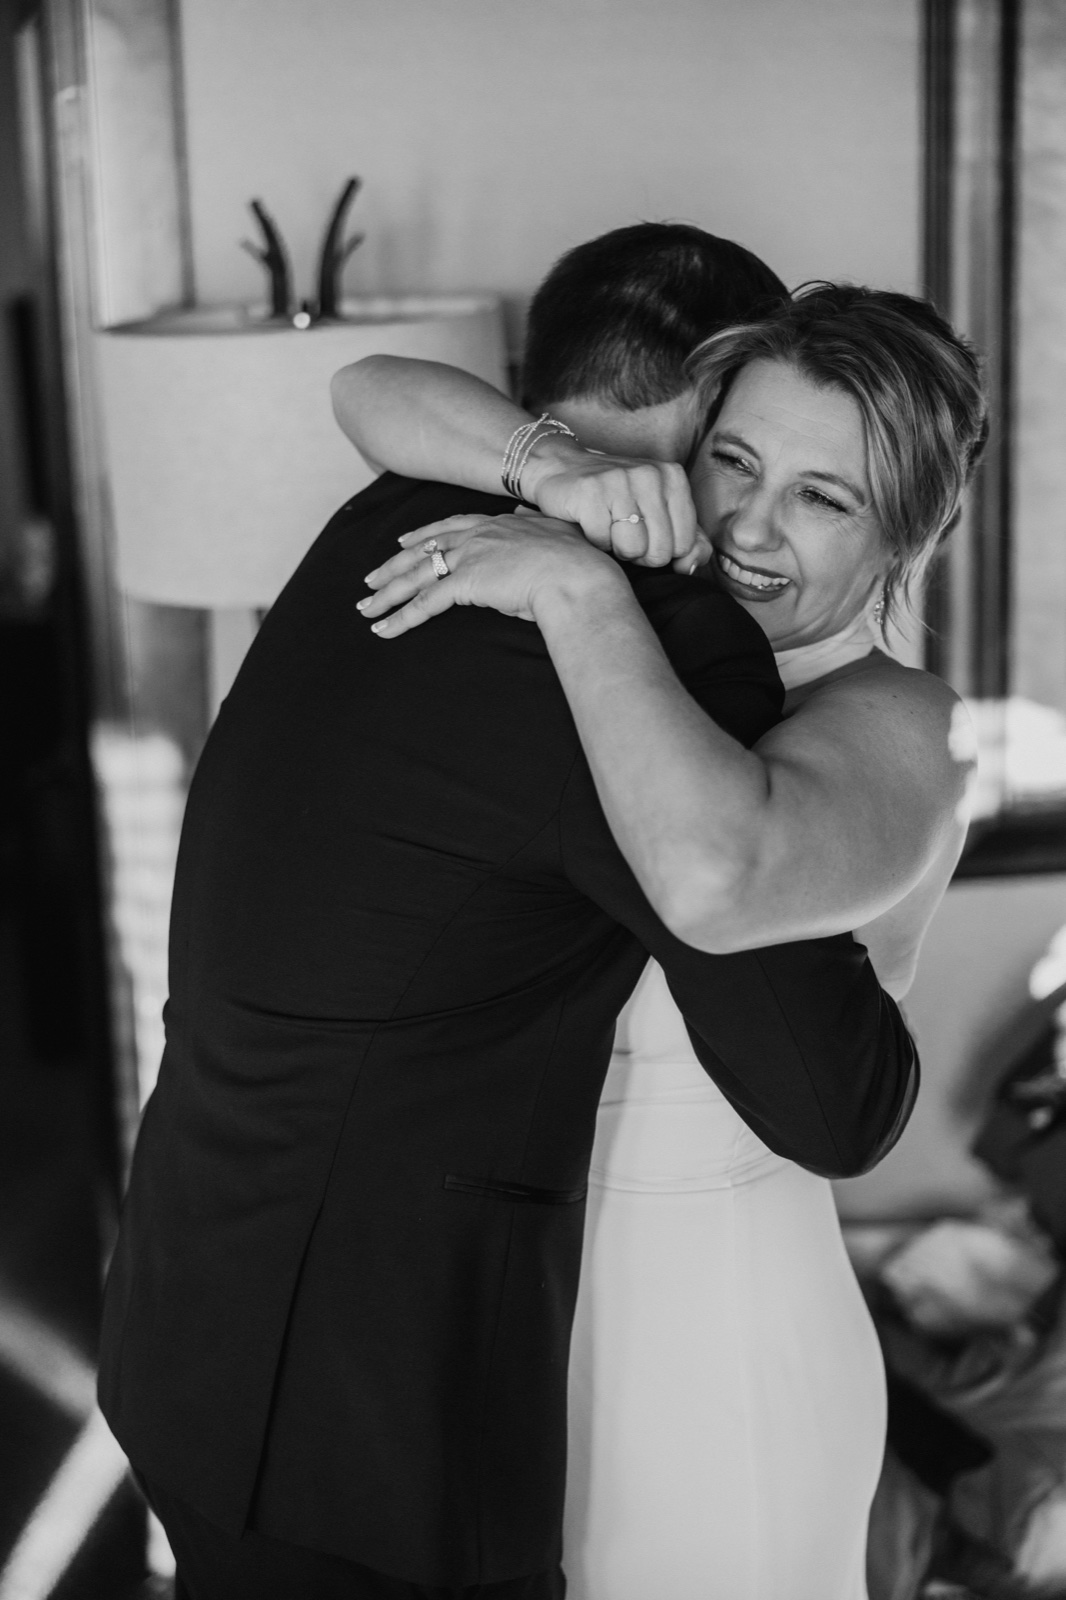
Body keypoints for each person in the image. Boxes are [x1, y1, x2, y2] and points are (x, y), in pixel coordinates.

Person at [96, 227, 917, 1600]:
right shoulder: (652, 639)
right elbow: (832, 1106)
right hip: (362, 1422)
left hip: (192, 1305)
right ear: (719, 413)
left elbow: (372, 391)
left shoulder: (388, 519)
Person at [333, 277, 986, 1599]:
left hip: (720, 1327)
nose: (749, 524)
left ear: (911, 533)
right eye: (732, 461)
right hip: (526, 1300)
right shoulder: (678, 636)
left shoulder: (905, 724)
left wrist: (577, 594)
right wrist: (554, 466)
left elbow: (709, 880)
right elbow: (362, 394)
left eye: (826, 496)